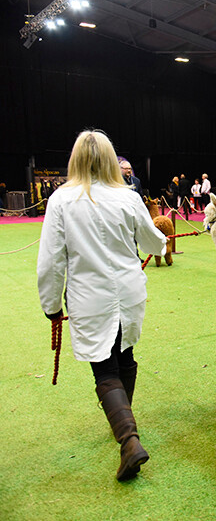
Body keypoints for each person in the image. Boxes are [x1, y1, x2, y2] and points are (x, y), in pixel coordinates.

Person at [37, 130, 166, 482]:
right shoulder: (127, 197)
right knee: (124, 356)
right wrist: (161, 240)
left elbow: (50, 262)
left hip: (90, 297)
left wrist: (50, 305)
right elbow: (155, 244)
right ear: (111, 160)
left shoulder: (62, 200)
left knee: (105, 369)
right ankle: (127, 428)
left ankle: (128, 439)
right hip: (129, 293)